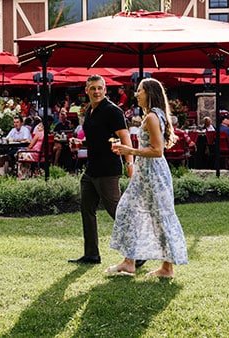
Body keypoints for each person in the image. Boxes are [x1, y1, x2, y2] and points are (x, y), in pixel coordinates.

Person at [107, 78, 188, 277]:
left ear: (150, 93)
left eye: (140, 91)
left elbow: (157, 150)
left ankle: (166, 268)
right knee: (128, 210)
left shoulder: (152, 117)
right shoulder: (152, 116)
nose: (136, 94)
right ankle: (129, 262)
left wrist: (129, 150)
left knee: (160, 216)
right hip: (144, 175)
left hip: (153, 175)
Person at [68, 74, 135, 266]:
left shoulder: (112, 111)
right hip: (91, 170)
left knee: (117, 212)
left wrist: (130, 164)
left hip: (108, 170)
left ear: (105, 90)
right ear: (86, 90)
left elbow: (125, 137)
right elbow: (98, 139)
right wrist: (81, 143)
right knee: (87, 210)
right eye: (93, 88)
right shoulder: (90, 111)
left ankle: (138, 252)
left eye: (100, 88)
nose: (96, 91)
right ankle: (92, 254)